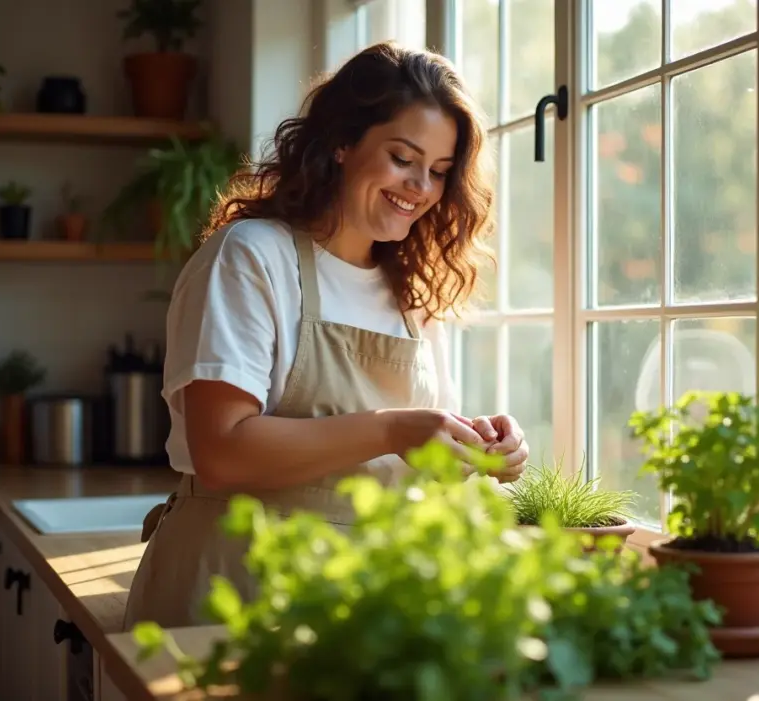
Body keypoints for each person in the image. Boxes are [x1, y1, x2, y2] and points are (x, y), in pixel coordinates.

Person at [122, 42, 529, 630]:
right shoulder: (252, 257)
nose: (420, 186)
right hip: (236, 589)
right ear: (342, 141)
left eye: (440, 172)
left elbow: (416, 463)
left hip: (364, 604)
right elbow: (221, 453)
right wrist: (393, 428)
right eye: (402, 157)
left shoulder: (411, 292)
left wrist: (477, 447)